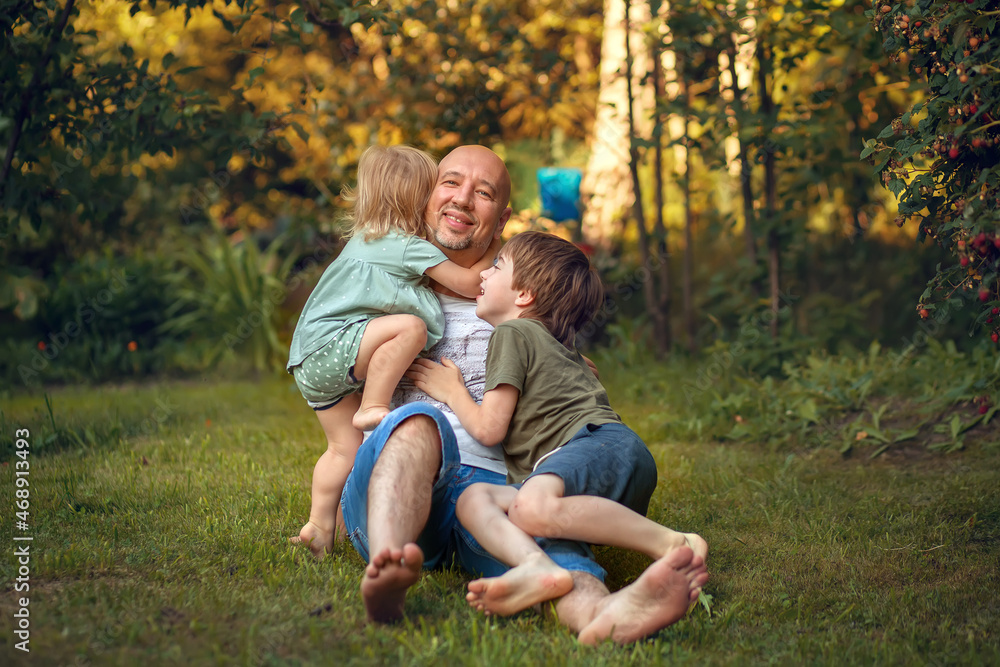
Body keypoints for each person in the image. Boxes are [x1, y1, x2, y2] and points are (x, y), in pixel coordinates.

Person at [339, 145, 708, 644]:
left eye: (483, 192)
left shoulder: (518, 307)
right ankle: (388, 562)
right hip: (404, 477)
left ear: (502, 216)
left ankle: (607, 614)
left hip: (498, 487)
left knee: (552, 551)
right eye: (450, 182)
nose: (463, 199)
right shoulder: (386, 289)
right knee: (419, 422)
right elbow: (336, 389)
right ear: (427, 196)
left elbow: (566, 386)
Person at [407, 231, 708, 617]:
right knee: (475, 499)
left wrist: (453, 391)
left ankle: (675, 544)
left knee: (531, 508)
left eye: (497, 266)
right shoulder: (556, 346)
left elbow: (490, 428)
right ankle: (539, 568)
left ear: (524, 295)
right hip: (606, 461)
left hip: (596, 443)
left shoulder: (513, 333)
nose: (484, 275)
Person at [287, 145, 500, 558]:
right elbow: (472, 285)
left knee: (342, 449)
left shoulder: (366, 240)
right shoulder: (405, 246)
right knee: (410, 328)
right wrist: (495, 250)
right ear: (416, 201)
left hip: (311, 357)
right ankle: (373, 403)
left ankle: (318, 525)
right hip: (338, 347)